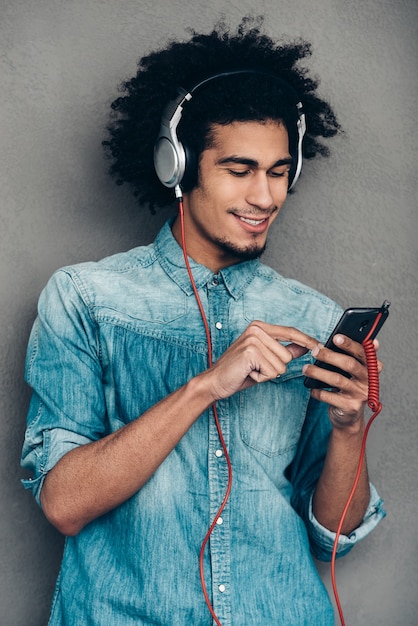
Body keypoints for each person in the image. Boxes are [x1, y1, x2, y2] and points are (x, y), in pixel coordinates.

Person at [21, 16, 386, 626]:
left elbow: (335, 534)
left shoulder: (314, 319)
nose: (265, 197)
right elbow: (64, 503)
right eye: (240, 171)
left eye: (277, 172)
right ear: (180, 169)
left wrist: (349, 429)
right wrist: (205, 386)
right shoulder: (85, 299)